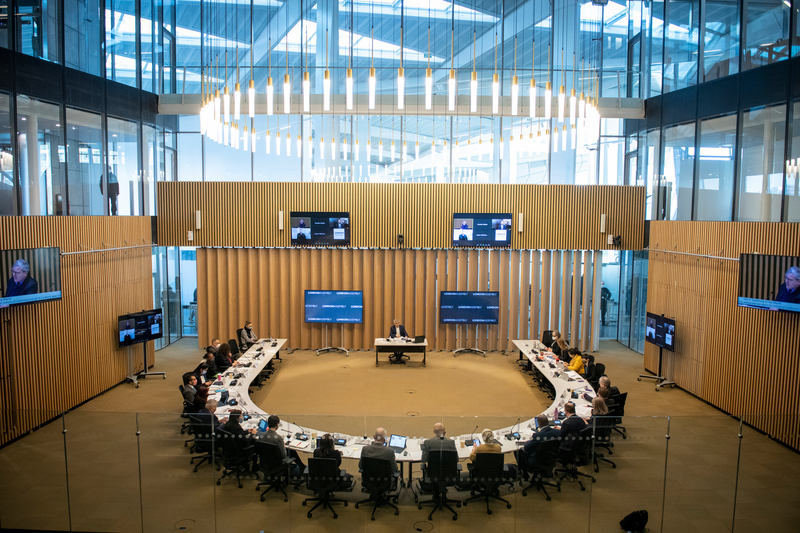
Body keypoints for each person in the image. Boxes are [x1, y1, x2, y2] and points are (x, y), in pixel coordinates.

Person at [515, 415, 561, 480]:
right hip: (552, 458)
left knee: (518, 451)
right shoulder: (558, 432)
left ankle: (525, 474)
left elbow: (526, 448)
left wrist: (529, 441)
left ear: (539, 424)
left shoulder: (537, 435)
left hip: (537, 460)